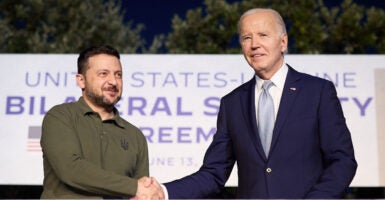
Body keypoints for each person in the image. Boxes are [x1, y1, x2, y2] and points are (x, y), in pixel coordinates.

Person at [142, 8, 357, 199]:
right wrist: (164, 191)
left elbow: (343, 160)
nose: (254, 45)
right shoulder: (232, 103)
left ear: (283, 42)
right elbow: (214, 173)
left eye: (263, 35)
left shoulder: (317, 92)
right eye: (246, 37)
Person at [40, 45, 163, 199]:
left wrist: (144, 191)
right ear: (81, 80)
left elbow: (142, 193)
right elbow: (70, 169)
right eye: (103, 74)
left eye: (118, 75)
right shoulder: (60, 117)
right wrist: (134, 187)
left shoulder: (135, 136)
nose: (113, 81)